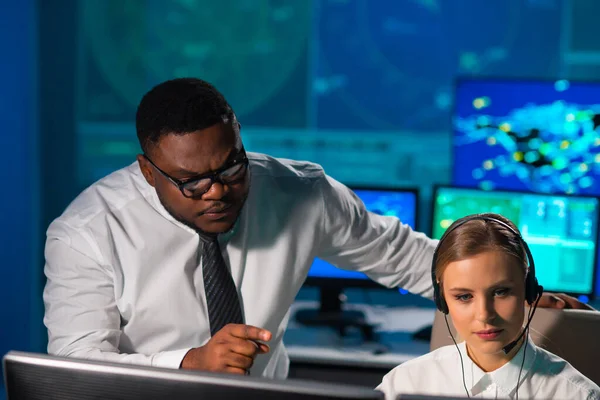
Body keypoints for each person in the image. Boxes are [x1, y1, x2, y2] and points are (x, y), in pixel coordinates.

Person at [43, 78, 590, 380]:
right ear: (148, 169)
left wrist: (519, 296)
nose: (218, 192)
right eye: (191, 182)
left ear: (240, 138)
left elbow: (403, 257)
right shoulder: (86, 233)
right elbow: (73, 364)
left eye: (230, 166)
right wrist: (189, 362)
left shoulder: (299, 192)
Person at [376, 213, 600, 400]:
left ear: (528, 291)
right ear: (443, 300)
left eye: (501, 292)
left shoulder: (577, 395)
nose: (485, 314)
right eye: (464, 296)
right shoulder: (403, 385)